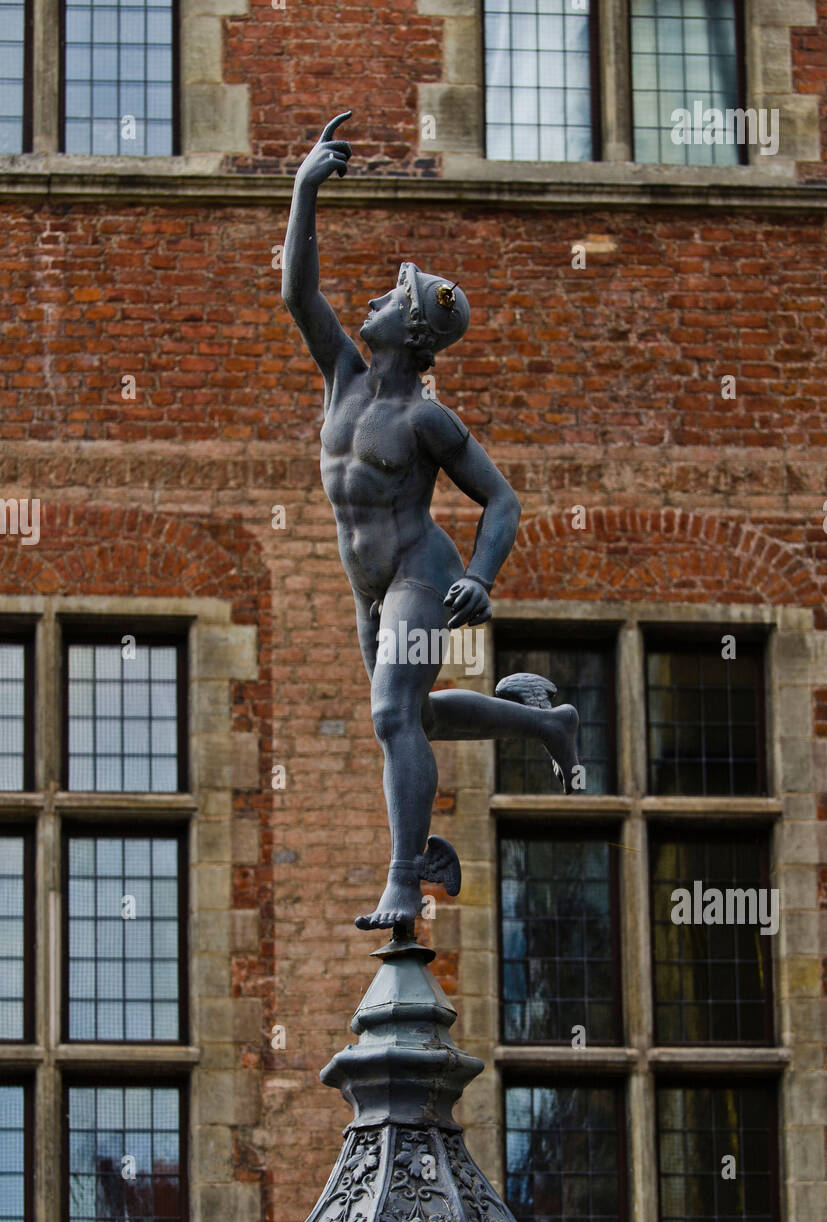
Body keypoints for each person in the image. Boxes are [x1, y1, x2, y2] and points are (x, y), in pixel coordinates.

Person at [282, 112, 579, 931]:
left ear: (409, 329)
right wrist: (305, 189)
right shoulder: (342, 372)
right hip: (368, 590)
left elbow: (501, 500)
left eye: (387, 297)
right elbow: (296, 291)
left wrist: (480, 577)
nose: (370, 299)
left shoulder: (424, 419)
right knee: (410, 714)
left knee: (387, 716)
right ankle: (544, 722)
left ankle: (403, 881)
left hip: (421, 571)